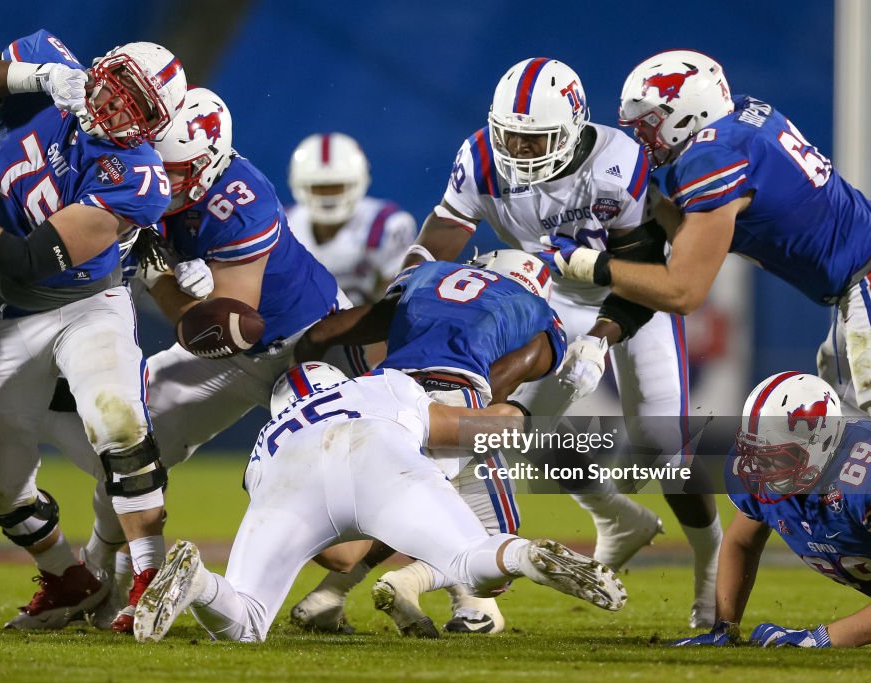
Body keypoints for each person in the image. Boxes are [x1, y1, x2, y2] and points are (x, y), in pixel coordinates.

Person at [15, 87, 373, 632]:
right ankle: (103, 577)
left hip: (302, 348)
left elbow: (228, 328)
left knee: (335, 526)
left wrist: (161, 283)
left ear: (207, 163)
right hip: (225, 343)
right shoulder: (134, 172)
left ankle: (453, 587)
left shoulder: (239, 196)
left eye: (176, 171)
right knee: (130, 447)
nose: (162, 181)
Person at [400, 57, 720, 627]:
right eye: (511, 139)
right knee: (509, 424)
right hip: (546, 298)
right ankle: (609, 519)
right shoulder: (479, 158)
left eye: (535, 140)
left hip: (627, 294)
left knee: (662, 448)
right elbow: (446, 228)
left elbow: (643, 267)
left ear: (573, 128)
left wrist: (599, 339)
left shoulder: (618, 161)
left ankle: (710, 566)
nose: (519, 153)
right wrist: (409, 279)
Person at [0, 28, 188, 632]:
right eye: (116, 90)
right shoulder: (51, 80)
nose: (115, 109)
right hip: (7, 313)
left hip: (86, 303)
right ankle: (66, 577)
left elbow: (28, 258)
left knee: (118, 420)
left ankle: (150, 581)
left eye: (138, 107)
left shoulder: (136, 175)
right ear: (96, 70)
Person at [131, 361, 626, 643]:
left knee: (247, 621)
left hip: (286, 470)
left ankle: (197, 582)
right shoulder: (380, 384)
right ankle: (526, 555)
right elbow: (473, 431)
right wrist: (524, 408)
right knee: (469, 560)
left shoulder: (266, 437)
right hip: (374, 445)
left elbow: (341, 555)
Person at [548, 49, 871, 417]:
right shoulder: (740, 117)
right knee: (844, 424)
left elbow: (683, 291)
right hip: (855, 284)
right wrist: (652, 202)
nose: (640, 135)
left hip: (864, 280)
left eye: (648, 122)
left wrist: (589, 265)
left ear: (688, 112)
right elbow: (699, 236)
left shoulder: (712, 159)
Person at [289, 250, 566, 636]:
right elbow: (499, 387)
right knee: (498, 543)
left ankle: (328, 598)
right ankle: (409, 584)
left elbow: (323, 334)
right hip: (454, 399)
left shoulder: (430, 277)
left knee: (398, 503)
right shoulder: (533, 312)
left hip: (382, 397)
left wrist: (315, 388)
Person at [674, 372, 871, 648]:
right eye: (755, 454)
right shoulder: (763, 476)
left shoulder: (862, 479)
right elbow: (742, 542)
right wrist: (725, 626)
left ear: (821, 443)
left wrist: (821, 639)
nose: (759, 469)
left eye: (776, 456)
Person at [286, 132, 417, 305]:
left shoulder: (386, 225)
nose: (328, 198)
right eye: (318, 188)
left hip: (365, 326)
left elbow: (398, 303)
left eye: (337, 187)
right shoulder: (282, 224)